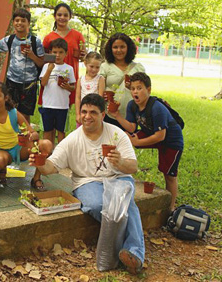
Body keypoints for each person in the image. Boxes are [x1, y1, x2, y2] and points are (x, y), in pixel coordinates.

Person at [30, 93, 144, 274]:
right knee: (97, 205)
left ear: (103, 115)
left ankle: (135, 253)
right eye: (84, 111)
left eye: (93, 112)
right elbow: (52, 167)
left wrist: (120, 161)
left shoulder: (116, 134)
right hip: (87, 181)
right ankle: (124, 249)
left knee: (124, 203)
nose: (87, 116)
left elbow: (133, 167)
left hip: (118, 177)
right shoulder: (72, 140)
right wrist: (40, 163)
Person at [108, 72, 183, 210]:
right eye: (132, 88)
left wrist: (137, 142)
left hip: (171, 141)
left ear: (148, 90)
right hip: (152, 134)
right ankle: (120, 170)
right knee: (125, 136)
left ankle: (170, 209)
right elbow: (131, 127)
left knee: (169, 175)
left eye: (139, 88)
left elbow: (160, 136)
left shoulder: (157, 108)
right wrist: (117, 115)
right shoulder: (132, 105)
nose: (135, 91)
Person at [0, 82, 53, 190]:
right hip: (1, 151)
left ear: (6, 97)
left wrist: (32, 135)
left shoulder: (13, 113)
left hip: (18, 148)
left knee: (46, 145)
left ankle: (36, 178)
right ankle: (1, 172)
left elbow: (32, 132)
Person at [0, 8, 44, 123]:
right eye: (16, 20)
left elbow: (41, 63)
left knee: (25, 115)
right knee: (10, 111)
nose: (19, 23)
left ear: (28, 23)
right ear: (13, 22)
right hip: (12, 82)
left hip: (29, 84)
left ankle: (24, 138)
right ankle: (12, 137)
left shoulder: (36, 42)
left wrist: (31, 55)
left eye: (23, 20)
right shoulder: (9, 40)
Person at [42, 2, 86, 107]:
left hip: (69, 75)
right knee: (52, 104)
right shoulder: (49, 37)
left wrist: (83, 55)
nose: (62, 17)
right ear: (55, 16)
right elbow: (43, 56)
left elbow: (84, 55)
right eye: (59, 15)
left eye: (65, 15)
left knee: (67, 106)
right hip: (53, 75)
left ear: (70, 17)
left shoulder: (78, 35)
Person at [100, 32, 145, 129]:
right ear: (110, 49)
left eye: (122, 47)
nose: (119, 50)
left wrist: (132, 87)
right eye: (115, 47)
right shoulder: (105, 66)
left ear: (128, 48)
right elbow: (98, 88)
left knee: (127, 142)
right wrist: (102, 95)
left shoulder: (138, 67)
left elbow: (145, 91)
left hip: (131, 115)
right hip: (109, 114)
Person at [39, 38, 76, 146]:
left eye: (61, 52)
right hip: (48, 105)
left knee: (61, 131)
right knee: (47, 130)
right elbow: (43, 83)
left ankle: (60, 152)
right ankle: (47, 152)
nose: (58, 55)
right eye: (55, 52)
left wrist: (67, 86)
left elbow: (73, 87)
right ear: (50, 53)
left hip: (62, 105)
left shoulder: (69, 68)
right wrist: (50, 69)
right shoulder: (46, 66)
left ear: (66, 53)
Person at [75, 51, 105, 127]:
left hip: (94, 112)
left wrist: (99, 114)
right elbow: (78, 98)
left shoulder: (100, 79)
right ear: (85, 64)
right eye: (91, 66)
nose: (94, 70)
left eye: (97, 67)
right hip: (83, 112)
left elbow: (100, 98)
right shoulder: (80, 79)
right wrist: (78, 114)